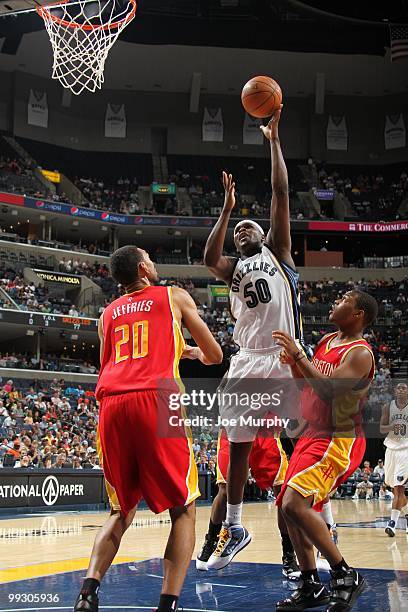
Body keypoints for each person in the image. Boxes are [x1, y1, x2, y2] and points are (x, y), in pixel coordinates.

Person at [74, 245, 223, 612]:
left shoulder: (106, 315)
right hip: (156, 400)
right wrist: (191, 352)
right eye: (151, 260)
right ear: (143, 268)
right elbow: (215, 354)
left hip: (111, 406)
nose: (155, 265)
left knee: (119, 512)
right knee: (184, 510)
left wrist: (174, 348)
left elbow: (119, 358)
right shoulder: (173, 295)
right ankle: (168, 603)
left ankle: (87, 593)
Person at [202, 106, 302, 571]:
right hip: (245, 360)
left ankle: (312, 518)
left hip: (285, 355)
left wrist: (274, 141)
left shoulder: (279, 253)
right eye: (238, 229)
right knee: (237, 445)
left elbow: (280, 192)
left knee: (303, 438)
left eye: (248, 227)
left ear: (264, 235)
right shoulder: (233, 268)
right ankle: (236, 526)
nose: (243, 231)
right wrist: (226, 211)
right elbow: (208, 257)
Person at [273, 289, 377, 610]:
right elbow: (307, 385)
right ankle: (310, 584)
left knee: (294, 503)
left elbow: (331, 391)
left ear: (358, 313)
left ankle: (345, 574)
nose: (335, 302)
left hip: (338, 437)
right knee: (287, 509)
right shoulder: (327, 343)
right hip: (311, 434)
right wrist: (293, 363)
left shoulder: (360, 354)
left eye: (344, 299)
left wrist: (300, 356)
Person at [381, 382, 408, 537]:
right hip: (391, 450)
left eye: (404, 388)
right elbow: (381, 428)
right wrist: (392, 427)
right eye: (398, 388)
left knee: (399, 488)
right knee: (394, 488)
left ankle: (392, 524)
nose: (401, 390)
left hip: (405, 450)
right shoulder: (387, 407)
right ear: (395, 391)